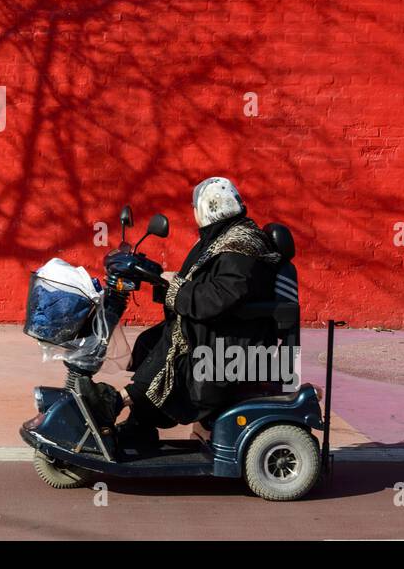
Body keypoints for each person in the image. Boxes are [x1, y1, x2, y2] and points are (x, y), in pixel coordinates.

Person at [108, 177, 284, 448]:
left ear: (207, 208)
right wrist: (165, 282)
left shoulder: (242, 247)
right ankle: (139, 425)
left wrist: (175, 288)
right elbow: (204, 286)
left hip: (238, 340)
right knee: (152, 341)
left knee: (172, 349)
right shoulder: (224, 238)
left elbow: (217, 298)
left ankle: (117, 400)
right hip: (226, 328)